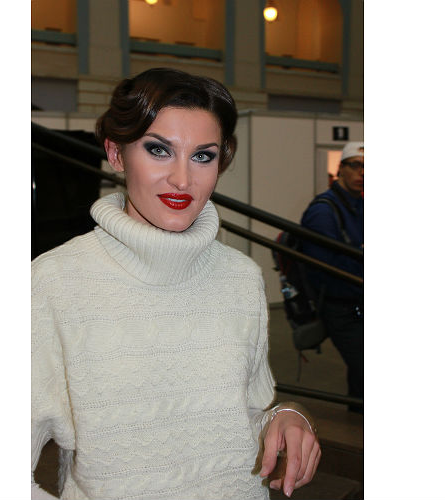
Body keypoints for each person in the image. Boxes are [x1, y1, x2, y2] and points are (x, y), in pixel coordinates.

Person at [31, 67, 321, 500]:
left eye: (202, 156)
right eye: (158, 150)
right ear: (115, 153)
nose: (182, 180)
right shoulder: (54, 282)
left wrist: (289, 415)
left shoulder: (241, 277)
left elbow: (243, 416)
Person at [300, 142, 364, 413]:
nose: (362, 173)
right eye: (356, 166)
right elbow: (324, 266)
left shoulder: (360, 205)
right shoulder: (324, 211)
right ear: (341, 169)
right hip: (340, 306)